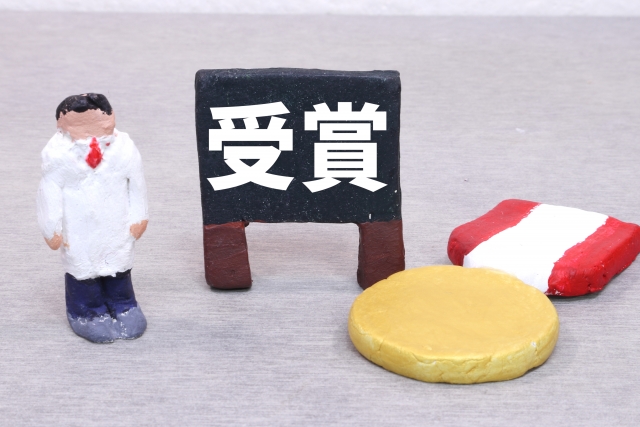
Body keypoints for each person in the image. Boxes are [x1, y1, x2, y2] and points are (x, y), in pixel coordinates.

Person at [37, 93, 149, 343]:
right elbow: (48, 191)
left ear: (111, 118)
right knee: (83, 268)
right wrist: (51, 228)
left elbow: (136, 183)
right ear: (62, 124)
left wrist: (139, 216)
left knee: (118, 263)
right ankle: (86, 312)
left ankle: (124, 305)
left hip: (116, 220)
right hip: (78, 226)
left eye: (97, 121)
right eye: (80, 124)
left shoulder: (124, 147)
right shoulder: (56, 154)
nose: (90, 129)